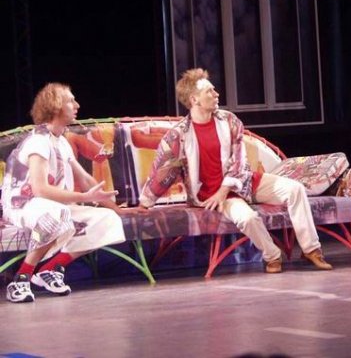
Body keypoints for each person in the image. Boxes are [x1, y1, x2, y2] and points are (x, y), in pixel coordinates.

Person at [138, 68, 332, 273]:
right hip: (213, 195)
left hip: (244, 183)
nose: (216, 94)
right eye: (209, 91)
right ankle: (272, 256)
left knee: (295, 189)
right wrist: (145, 202)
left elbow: (239, 161)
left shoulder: (229, 121)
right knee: (248, 218)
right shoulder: (178, 135)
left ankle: (311, 249)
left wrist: (224, 190)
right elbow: (164, 171)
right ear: (194, 99)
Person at [2, 83, 126, 303]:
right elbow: (40, 190)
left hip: (55, 205)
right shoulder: (39, 141)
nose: (77, 105)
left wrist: (116, 208)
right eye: (71, 101)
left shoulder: (61, 142)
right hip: (23, 205)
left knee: (108, 220)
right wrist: (84, 198)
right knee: (57, 215)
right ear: (56, 106)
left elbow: (85, 179)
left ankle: (51, 268)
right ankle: (21, 279)